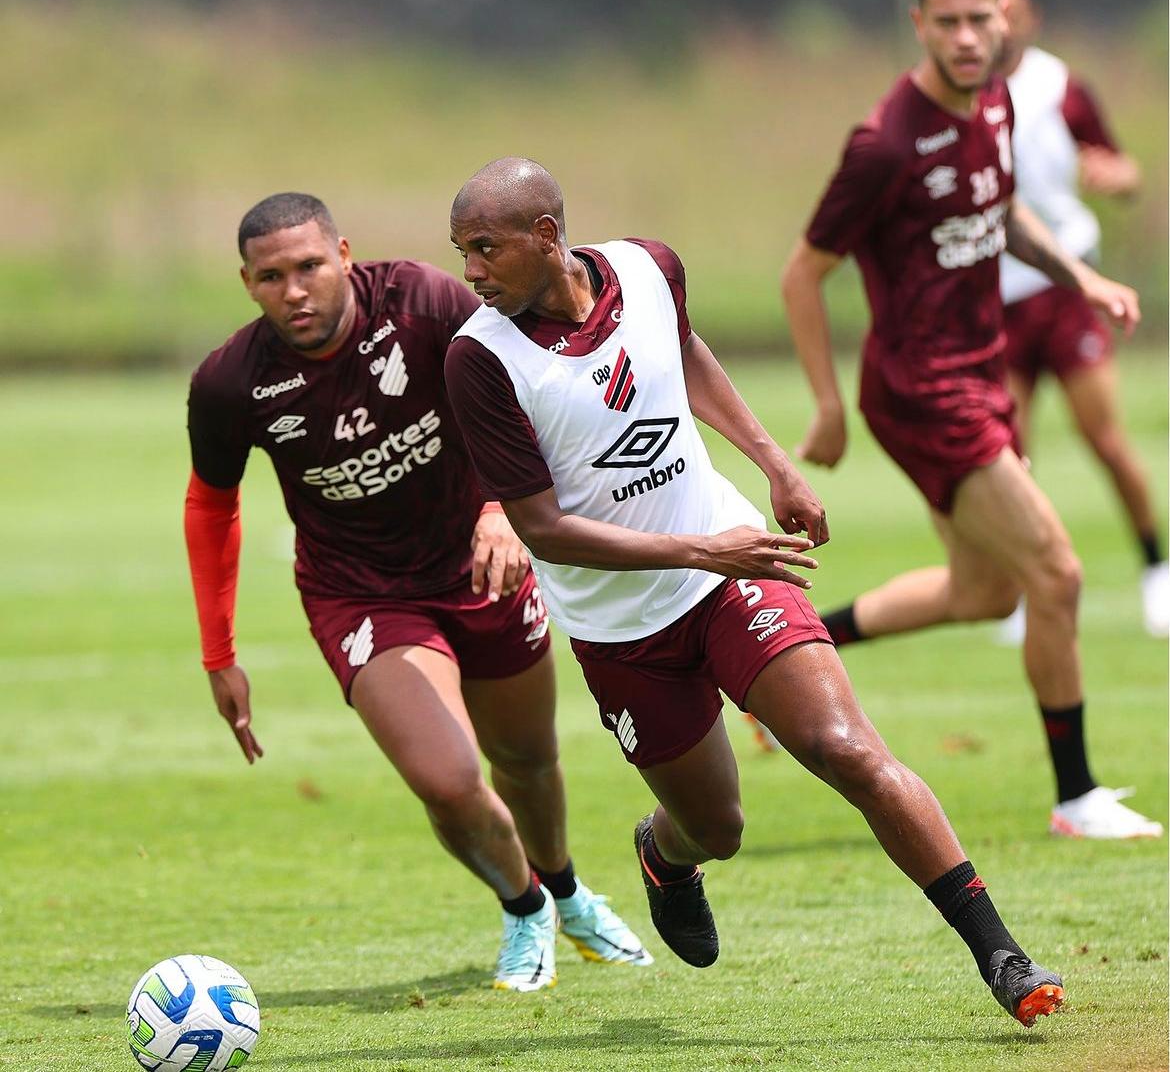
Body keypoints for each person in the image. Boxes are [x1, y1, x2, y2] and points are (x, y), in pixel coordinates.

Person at [445, 154, 1065, 1028]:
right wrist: (704, 548)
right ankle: (665, 853)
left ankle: (1001, 953)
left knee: (847, 746)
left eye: (484, 248)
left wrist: (773, 461)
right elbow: (542, 528)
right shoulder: (479, 359)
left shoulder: (648, 268)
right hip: (622, 629)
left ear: (547, 237)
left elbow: (685, 351)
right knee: (717, 827)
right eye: (460, 250)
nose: (469, 271)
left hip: (733, 578)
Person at [183, 192, 651, 994]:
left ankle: (570, 894)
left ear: (343, 256)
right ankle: (525, 904)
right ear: (247, 282)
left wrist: (504, 508)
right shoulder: (232, 383)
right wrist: (219, 652)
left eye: (307, 267)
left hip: (482, 563)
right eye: (271, 276)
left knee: (528, 758)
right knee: (447, 778)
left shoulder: (422, 301)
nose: (294, 289)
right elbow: (211, 505)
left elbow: (516, 386)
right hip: (360, 594)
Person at [778, 0, 1161, 839]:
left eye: (978, 19)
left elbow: (1002, 207)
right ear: (919, 25)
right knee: (1056, 573)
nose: (965, 36)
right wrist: (827, 406)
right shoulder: (884, 144)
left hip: (978, 372)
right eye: (946, 22)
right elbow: (803, 274)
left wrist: (1078, 276)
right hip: (923, 392)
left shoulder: (995, 97)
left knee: (983, 592)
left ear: (1006, 18)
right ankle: (1076, 797)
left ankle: (786, 656)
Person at [994, 0, 1168, 643]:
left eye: (1008, 11)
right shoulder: (956, 96)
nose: (995, 25)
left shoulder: (1059, 88)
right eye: (985, 12)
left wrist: (1116, 176)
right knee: (1008, 451)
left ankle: (1157, 569)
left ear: (1030, 16)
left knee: (1106, 438)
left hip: (1065, 286)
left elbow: (1123, 169)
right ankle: (1016, 589)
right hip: (996, 295)